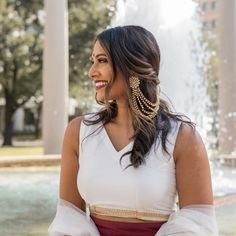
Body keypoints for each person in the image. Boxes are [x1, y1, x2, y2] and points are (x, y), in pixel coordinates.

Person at [48, 25, 218, 236]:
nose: (92, 72)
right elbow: (69, 214)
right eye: (92, 61)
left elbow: (198, 222)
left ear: (132, 67)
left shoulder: (183, 137)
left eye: (102, 61)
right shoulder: (79, 132)